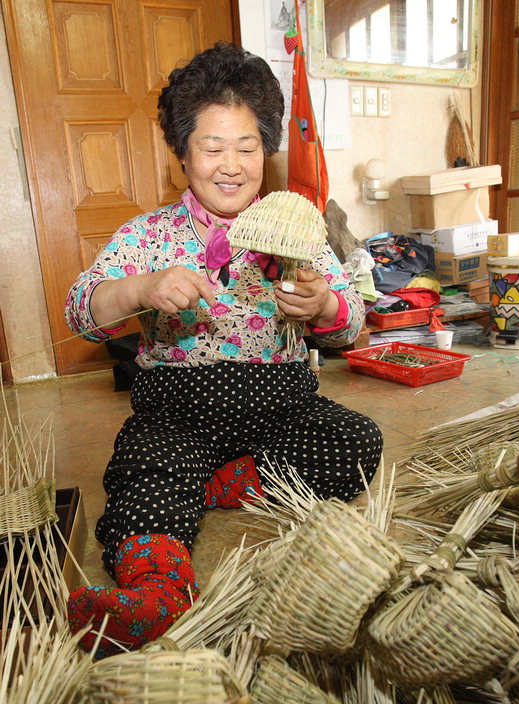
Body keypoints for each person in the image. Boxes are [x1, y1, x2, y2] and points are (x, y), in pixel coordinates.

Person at [65, 42, 383, 657]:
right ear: (182, 154)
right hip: (178, 408)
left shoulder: (298, 233)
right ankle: (159, 589)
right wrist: (140, 288)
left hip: (283, 404)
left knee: (355, 440)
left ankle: (214, 486)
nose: (231, 165)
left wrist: (323, 307)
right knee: (144, 467)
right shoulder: (148, 235)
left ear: (266, 150)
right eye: (212, 147)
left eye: (247, 147)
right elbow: (83, 311)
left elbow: (351, 330)